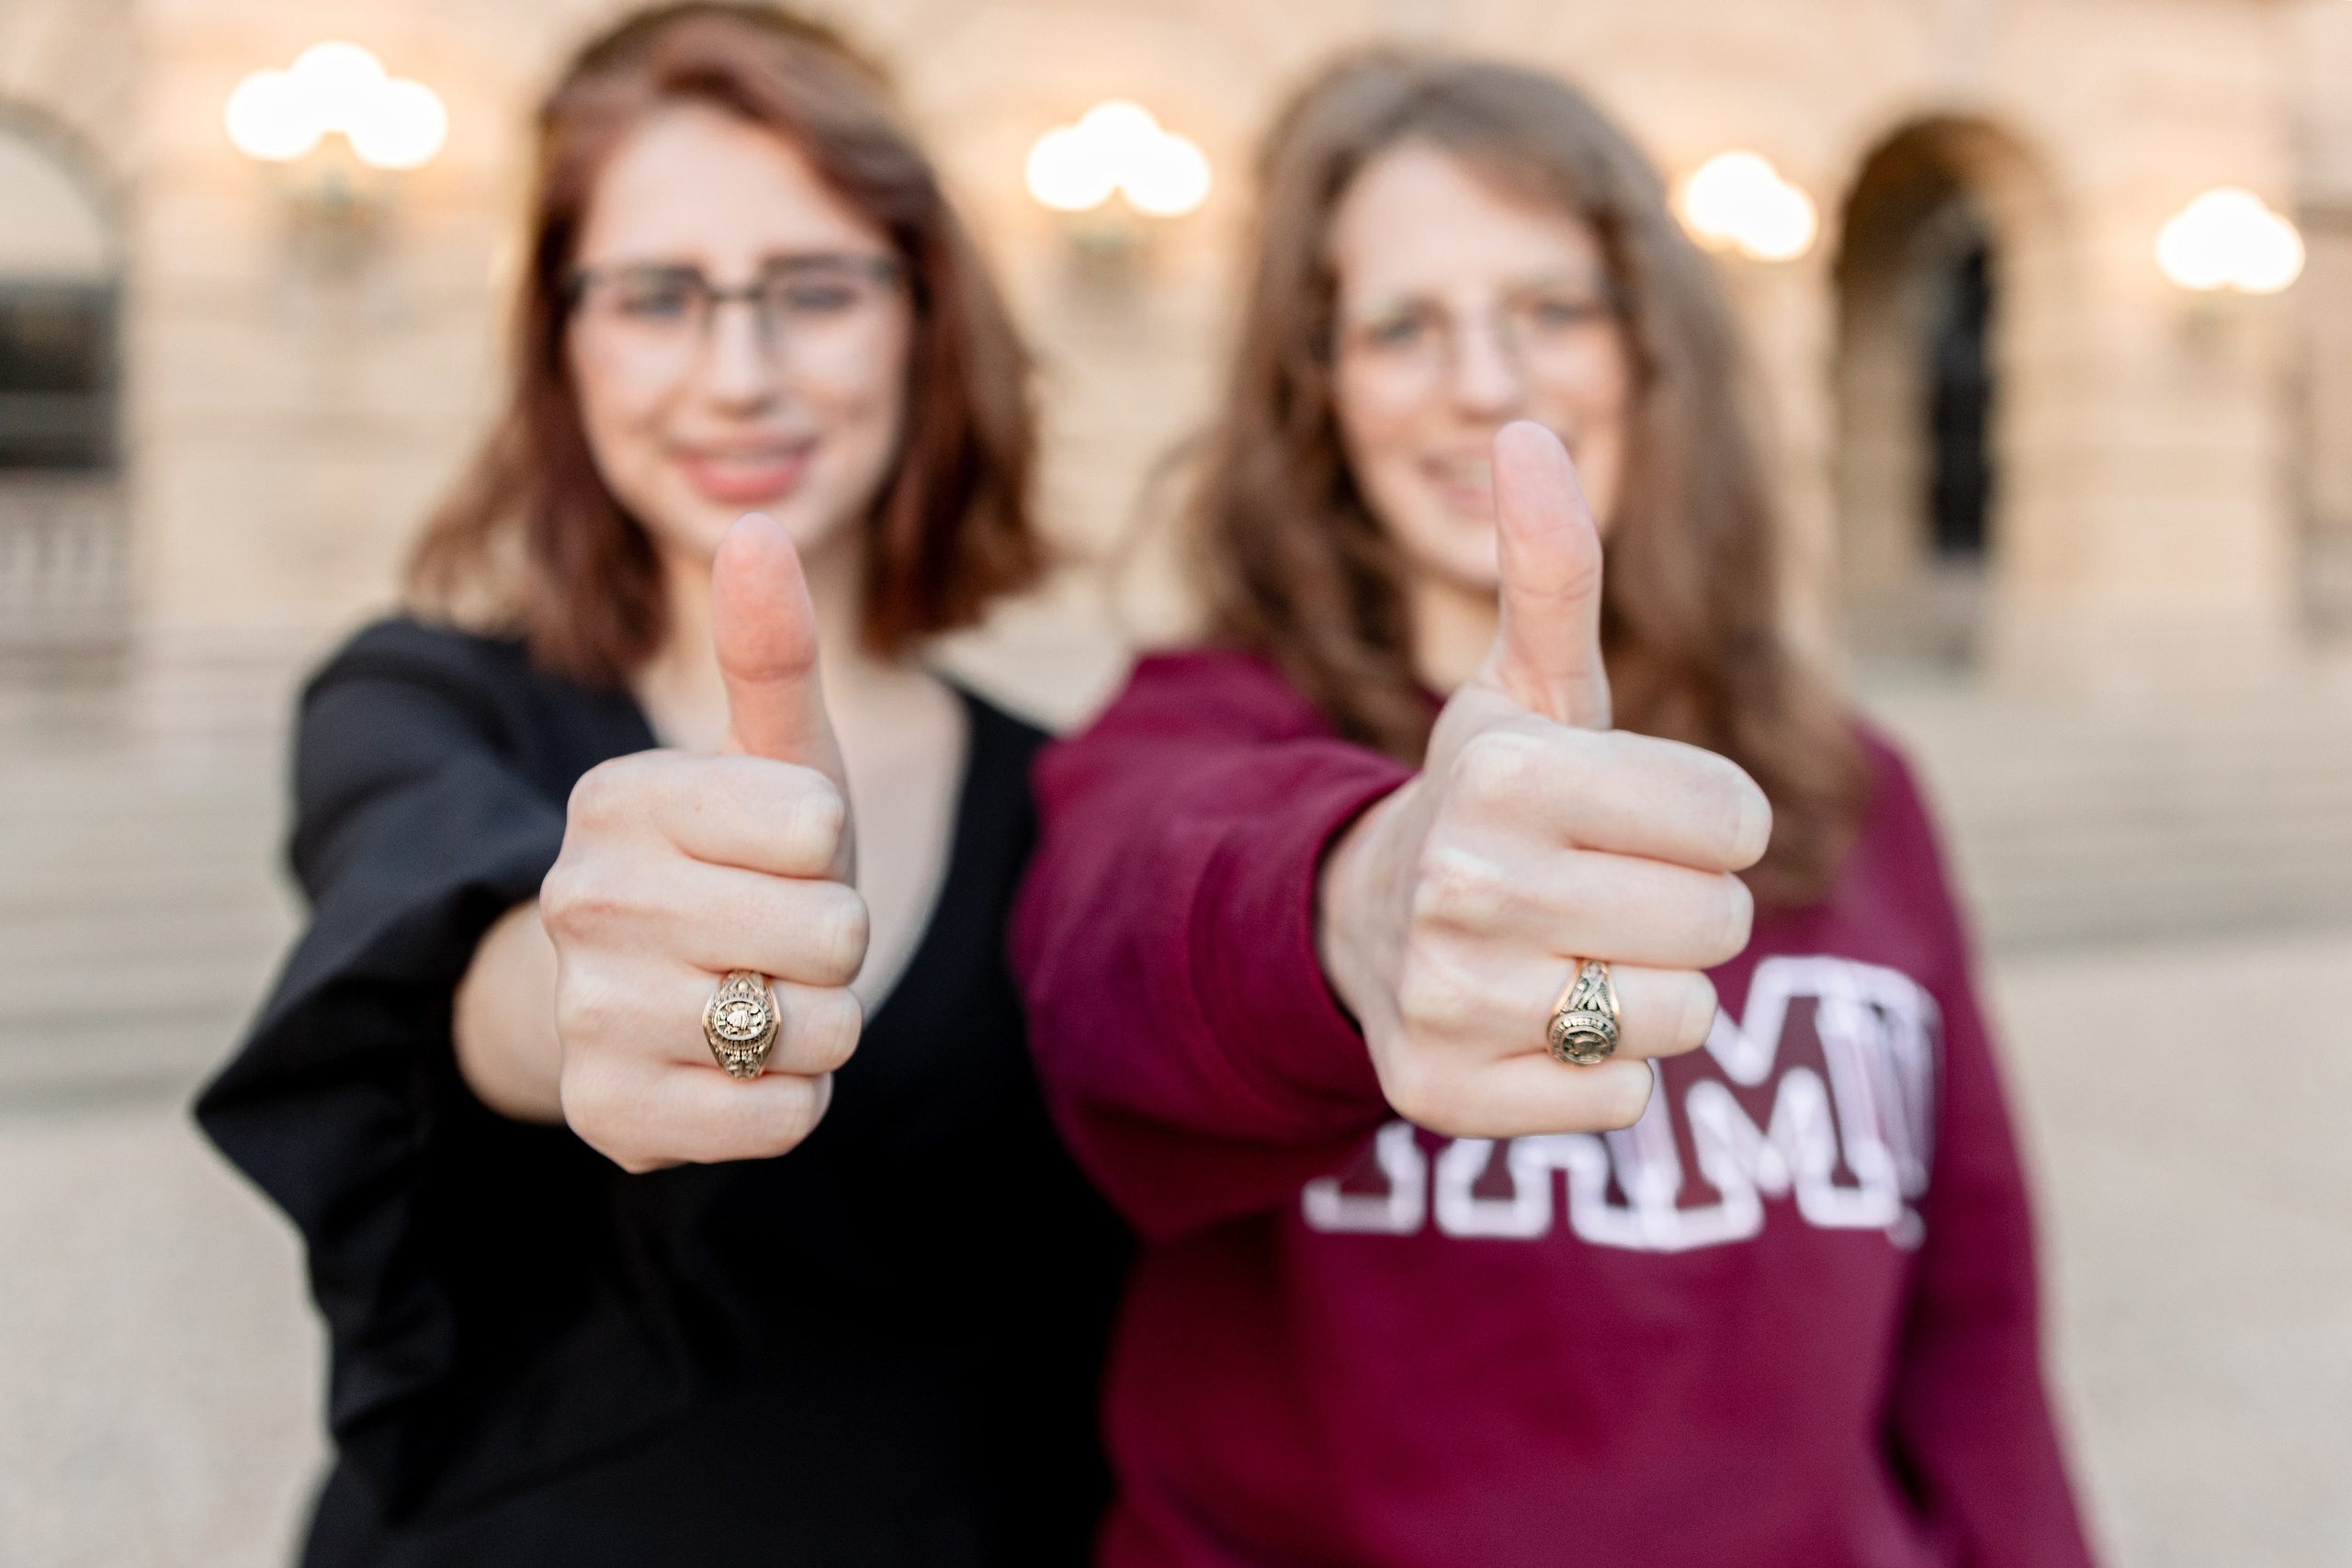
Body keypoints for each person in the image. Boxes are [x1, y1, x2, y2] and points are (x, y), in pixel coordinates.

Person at [1012, 51, 2096, 1568]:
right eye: (1400, 326)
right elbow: (1113, 969)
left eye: (1552, 307)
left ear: (1651, 350)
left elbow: (1974, 1329)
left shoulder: (1849, 783)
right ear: (1318, 394)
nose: (1484, 382)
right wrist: (1364, 900)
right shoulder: (1190, 736)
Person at [196, 6, 1125, 1563]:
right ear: (561, 343)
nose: (738, 373)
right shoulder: (419, 702)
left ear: (924, 319)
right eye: (655, 296)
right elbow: (440, 934)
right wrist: (574, 992)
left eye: (814, 289)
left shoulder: (1068, 793)